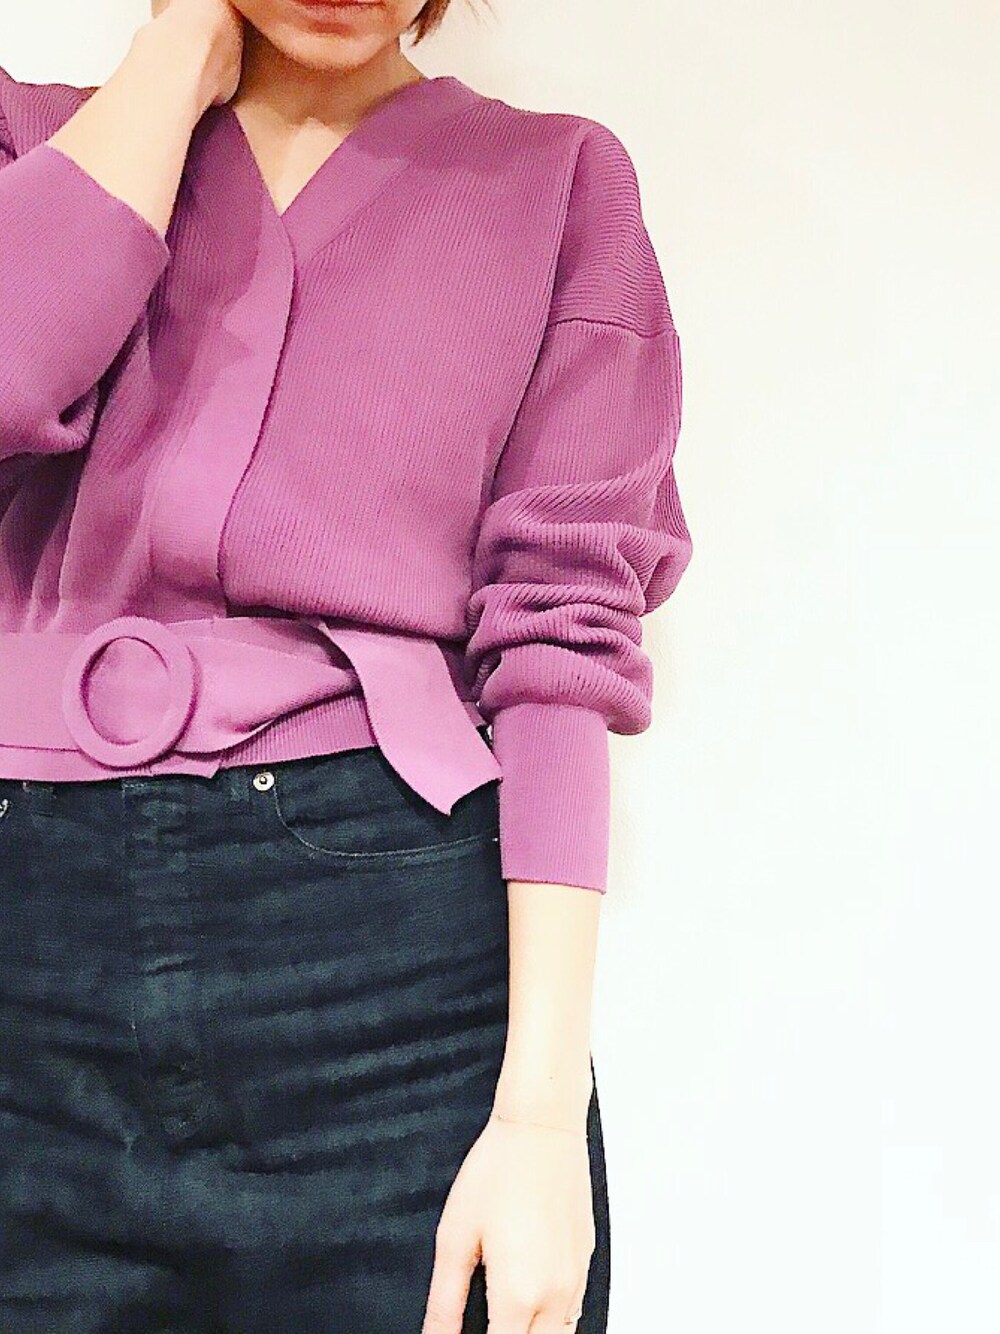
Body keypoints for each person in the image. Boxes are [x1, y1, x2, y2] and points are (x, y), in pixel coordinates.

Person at [0, 0, 692, 1329]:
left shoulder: (555, 185)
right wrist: (175, 58)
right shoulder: (36, 143)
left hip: (391, 982)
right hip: (29, 980)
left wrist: (539, 1118)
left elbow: (562, 639)